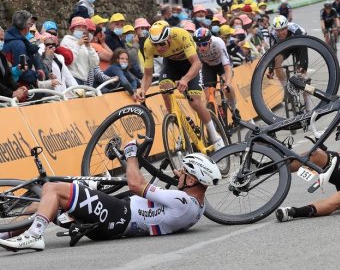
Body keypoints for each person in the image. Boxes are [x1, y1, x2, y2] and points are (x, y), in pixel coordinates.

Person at [0, 142, 221, 252]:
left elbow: (136, 184)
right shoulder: (196, 206)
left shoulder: (181, 201)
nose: (178, 173)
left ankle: (36, 235)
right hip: (117, 223)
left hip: (119, 214)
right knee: (45, 205)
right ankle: (10, 232)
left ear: (192, 181)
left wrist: (131, 154)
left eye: (183, 172)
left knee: (53, 188)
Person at [136, 21, 225, 151]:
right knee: (165, 88)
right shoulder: (148, 45)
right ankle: (180, 129)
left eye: (162, 43)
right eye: (156, 44)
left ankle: (214, 135)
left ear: (169, 37)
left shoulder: (181, 35)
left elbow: (196, 63)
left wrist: (185, 79)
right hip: (171, 65)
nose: (159, 48)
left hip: (190, 65)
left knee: (195, 103)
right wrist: (142, 89)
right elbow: (148, 75)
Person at [193, 28, 240, 122]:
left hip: (221, 65)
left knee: (227, 87)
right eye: (199, 45)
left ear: (209, 41)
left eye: (204, 44)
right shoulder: (194, 47)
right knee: (208, 95)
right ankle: (215, 117)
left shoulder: (218, 42)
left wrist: (227, 83)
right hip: (208, 66)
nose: (201, 47)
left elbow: (227, 68)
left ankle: (234, 108)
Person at [2, 10, 44, 89]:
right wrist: (37, 74)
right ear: (26, 26)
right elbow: (22, 71)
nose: (30, 27)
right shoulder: (18, 44)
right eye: (30, 24)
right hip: (20, 87)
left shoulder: (10, 40)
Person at [267, 15, 307, 85]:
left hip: (299, 45)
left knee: (302, 73)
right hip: (286, 46)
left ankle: (306, 95)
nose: (281, 33)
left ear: (287, 27)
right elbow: (272, 53)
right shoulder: (273, 34)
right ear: (275, 29)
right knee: (277, 61)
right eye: (278, 30)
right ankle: (286, 87)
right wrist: (271, 70)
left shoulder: (296, 31)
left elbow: (303, 50)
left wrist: (303, 65)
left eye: (283, 29)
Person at [60, 17, 99, 85]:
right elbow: (68, 61)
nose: (81, 29)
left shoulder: (85, 43)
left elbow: (94, 63)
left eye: (83, 27)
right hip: (71, 78)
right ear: (72, 29)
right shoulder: (66, 40)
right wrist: (78, 45)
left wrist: (89, 47)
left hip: (83, 80)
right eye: (78, 27)